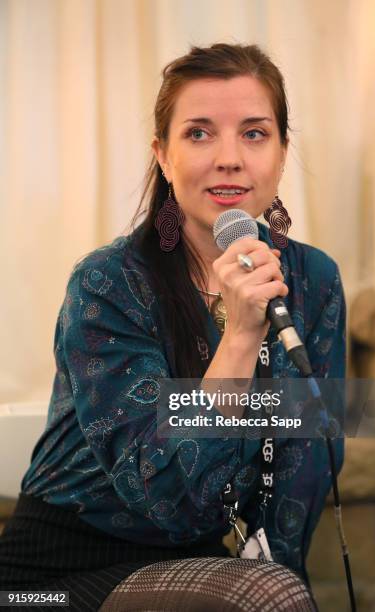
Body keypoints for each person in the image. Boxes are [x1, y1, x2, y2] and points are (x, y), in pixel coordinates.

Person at [0, 43, 345, 611]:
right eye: (200, 133)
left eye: (255, 133)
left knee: (274, 592)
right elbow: (167, 497)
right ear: (163, 155)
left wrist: (277, 577)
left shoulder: (314, 281)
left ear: (283, 153)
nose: (230, 158)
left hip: (213, 571)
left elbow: (300, 472)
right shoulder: (107, 284)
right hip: (60, 572)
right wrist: (239, 336)